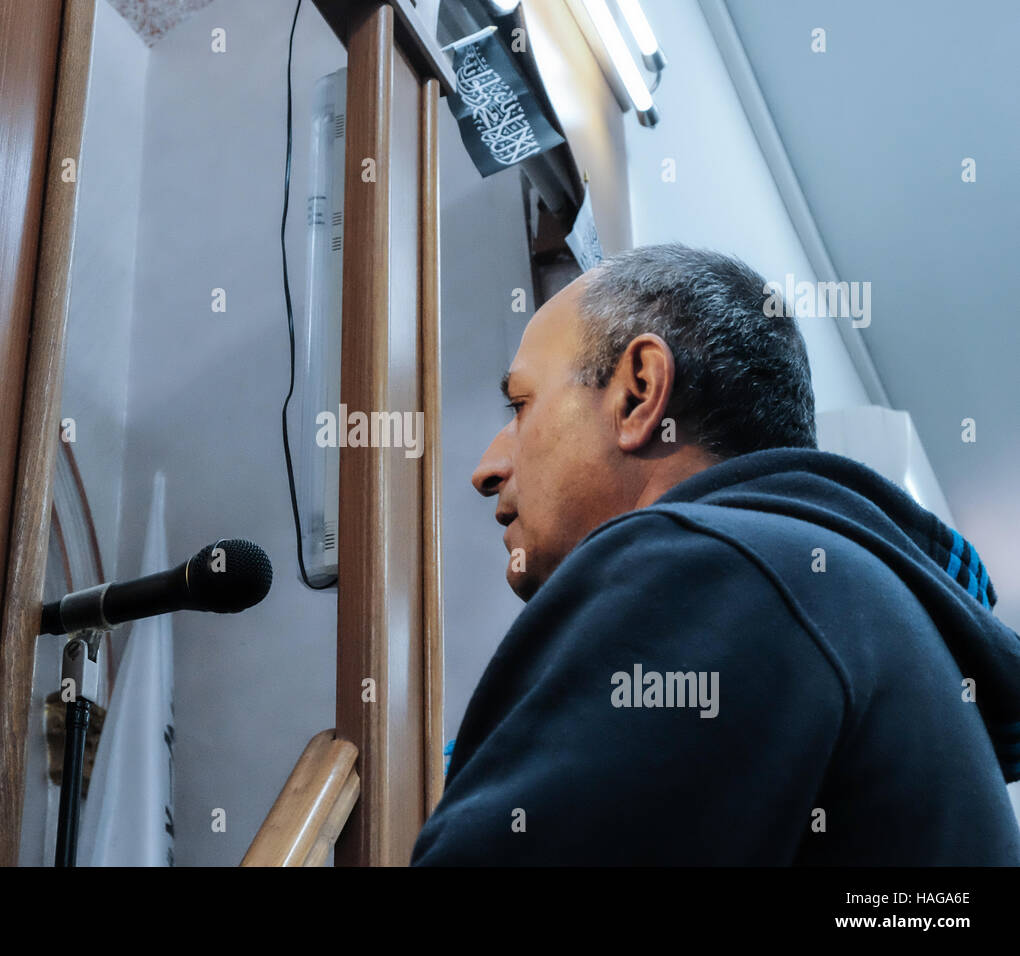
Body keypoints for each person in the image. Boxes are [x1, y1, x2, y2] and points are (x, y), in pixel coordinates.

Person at [410, 244, 1020, 865]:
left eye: (521, 406)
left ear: (639, 394)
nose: (488, 469)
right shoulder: (840, 600)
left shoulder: (714, 567)